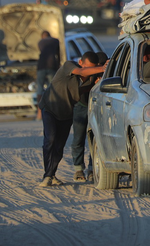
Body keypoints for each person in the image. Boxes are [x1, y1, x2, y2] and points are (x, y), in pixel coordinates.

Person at [37, 56, 102, 186]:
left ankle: (51, 174)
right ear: (80, 63)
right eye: (86, 66)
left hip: (66, 114)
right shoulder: (68, 66)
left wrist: (97, 82)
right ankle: (47, 175)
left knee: (59, 146)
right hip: (50, 108)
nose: (87, 70)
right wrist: (102, 68)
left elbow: (80, 90)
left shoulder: (89, 81)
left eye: (91, 68)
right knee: (50, 139)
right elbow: (82, 72)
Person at [70, 51, 103, 182]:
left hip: (95, 107)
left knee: (94, 139)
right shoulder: (77, 73)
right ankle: (78, 170)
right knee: (78, 139)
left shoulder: (100, 74)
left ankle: (91, 168)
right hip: (80, 106)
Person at [36, 31, 61, 112]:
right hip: (51, 66)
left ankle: (39, 111)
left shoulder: (40, 42)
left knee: (39, 87)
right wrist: (58, 67)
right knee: (52, 87)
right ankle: (53, 108)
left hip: (41, 66)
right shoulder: (55, 41)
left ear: (42, 36)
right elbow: (58, 55)